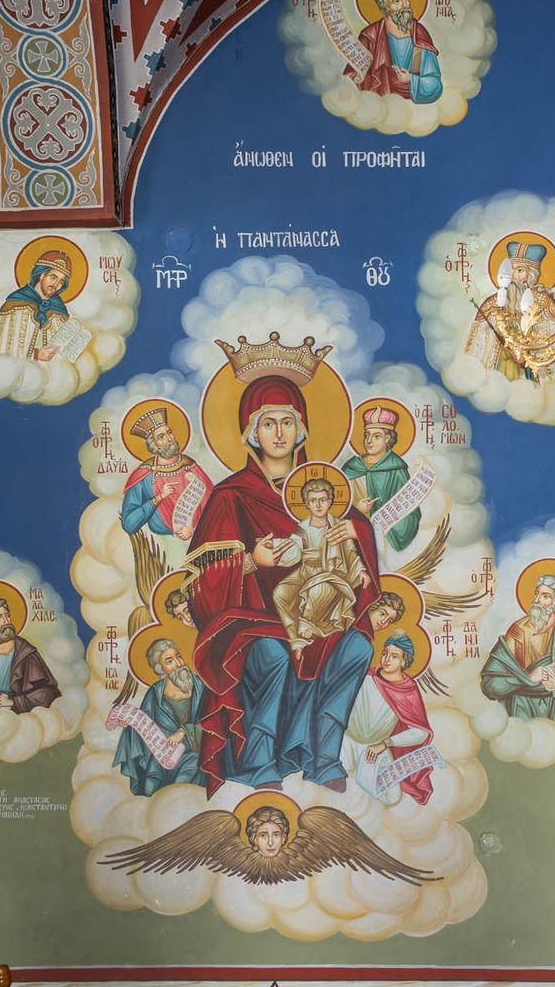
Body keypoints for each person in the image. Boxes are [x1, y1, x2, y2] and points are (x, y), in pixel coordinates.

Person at [186, 338, 381, 793]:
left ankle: (321, 757)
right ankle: (258, 763)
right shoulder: (231, 496)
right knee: (273, 654)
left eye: (288, 422)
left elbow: (362, 555)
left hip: (321, 612)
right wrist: (250, 563)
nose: (278, 433)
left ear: (303, 429)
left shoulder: (328, 491)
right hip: (251, 620)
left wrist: (358, 534)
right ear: (251, 432)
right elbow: (199, 585)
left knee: (355, 647)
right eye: (268, 423)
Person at [274, 472, 371, 654]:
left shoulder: (337, 525)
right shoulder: (303, 527)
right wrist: (276, 547)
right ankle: (296, 638)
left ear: (330, 501)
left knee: (317, 590)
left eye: (322, 499)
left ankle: (308, 626)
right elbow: (293, 549)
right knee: (281, 592)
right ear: (307, 503)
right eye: (313, 500)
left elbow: (350, 551)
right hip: (306, 571)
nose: (318, 505)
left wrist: (361, 571)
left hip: (331, 574)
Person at [480, 574, 555, 720]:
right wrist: (529, 678)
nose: (536, 600)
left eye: (545, 596)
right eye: (536, 594)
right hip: (520, 705)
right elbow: (490, 684)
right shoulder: (518, 630)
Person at [347, 633, 436, 806]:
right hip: (347, 741)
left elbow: (421, 732)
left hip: (376, 747)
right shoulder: (366, 677)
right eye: (385, 653)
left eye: (394, 656)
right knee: (339, 787)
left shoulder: (408, 690)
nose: (387, 659)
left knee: (392, 797)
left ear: (404, 661)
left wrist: (385, 743)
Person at [113, 638, 208, 795]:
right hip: (164, 753)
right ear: (161, 669)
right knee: (154, 771)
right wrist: (130, 723)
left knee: (192, 765)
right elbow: (146, 724)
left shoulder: (200, 686)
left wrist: (182, 732)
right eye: (169, 661)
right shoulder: (155, 693)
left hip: (195, 751)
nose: (178, 663)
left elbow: (214, 722)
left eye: (178, 656)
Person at [463, 241, 555, 380]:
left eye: (520, 270)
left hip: (531, 364)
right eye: (511, 269)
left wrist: (529, 349)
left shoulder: (543, 301)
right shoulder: (495, 301)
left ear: (531, 275)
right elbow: (482, 336)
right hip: (503, 365)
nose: (513, 274)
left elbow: (554, 334)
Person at [120, 408, 214, 540]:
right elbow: (129, 523)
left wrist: (193, 527)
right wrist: (159, 498)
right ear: (154, 446)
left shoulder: (189, 465)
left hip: (200, 535)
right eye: (161, 437)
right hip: (162, 541)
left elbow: (213, 504)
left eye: (169, 432)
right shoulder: (145, 475)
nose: (169, 439)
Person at [348, 0, 442, 103]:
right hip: (379, 104)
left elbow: (435, 84)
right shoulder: (371, 35)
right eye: (396, 1)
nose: (404, 4)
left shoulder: (419, 33)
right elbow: (352, 76)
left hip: (413, 106)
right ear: (385, 6)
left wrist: (411, 79)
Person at [343, 406, 421, 551]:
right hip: (351, 534)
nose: (369, 440)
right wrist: (356, 510)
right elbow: (337, 503)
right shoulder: (352, 467)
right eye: (367, 435)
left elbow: (410, 511)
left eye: (376, 436)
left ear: (387, 438)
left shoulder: (396, 469)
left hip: (384, 540)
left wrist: (383, 524)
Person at [0, 250, 73, 360]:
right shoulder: (15, 305)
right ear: (42, 275)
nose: (56, 285)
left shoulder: (60, 312)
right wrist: (36, 355)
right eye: (53, 277)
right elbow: (3, 349)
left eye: (61, 282)